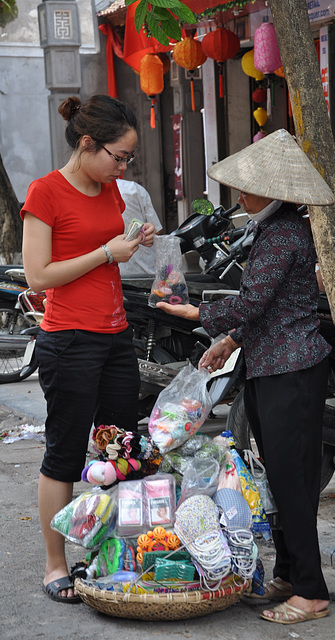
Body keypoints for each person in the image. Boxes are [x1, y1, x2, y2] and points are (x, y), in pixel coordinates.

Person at [156, 129, 334, 626]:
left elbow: (254, 301)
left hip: (292, 368)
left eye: (249, 187)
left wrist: (197, 313)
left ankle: (312, 592)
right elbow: (265, 310)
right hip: (269, 362)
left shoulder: (282, 234)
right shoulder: (268, 228)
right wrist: (229, 340)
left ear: (275, 190)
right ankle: (290, 573)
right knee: (277, 476)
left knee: (292, 481)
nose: (241, 196)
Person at [20, 94, 155, 604]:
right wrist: (106, 252)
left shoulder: (111, 189)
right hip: (70, 338)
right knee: (66, 451)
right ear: (86, 144)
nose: (123, 167)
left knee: (120, 450)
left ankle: (105, 554)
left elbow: (111, 246)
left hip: (115, 335)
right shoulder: (46, 193)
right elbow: (38, 277)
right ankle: (56, 565)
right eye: (118, 157)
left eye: (128, 159)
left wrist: (133, 240)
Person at [117, 178, 163, 277]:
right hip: (145, 269)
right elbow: (157, 230)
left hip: (117, 273)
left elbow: (154, 229)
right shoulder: (133, 189)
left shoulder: (133, 189)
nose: (123, 167)